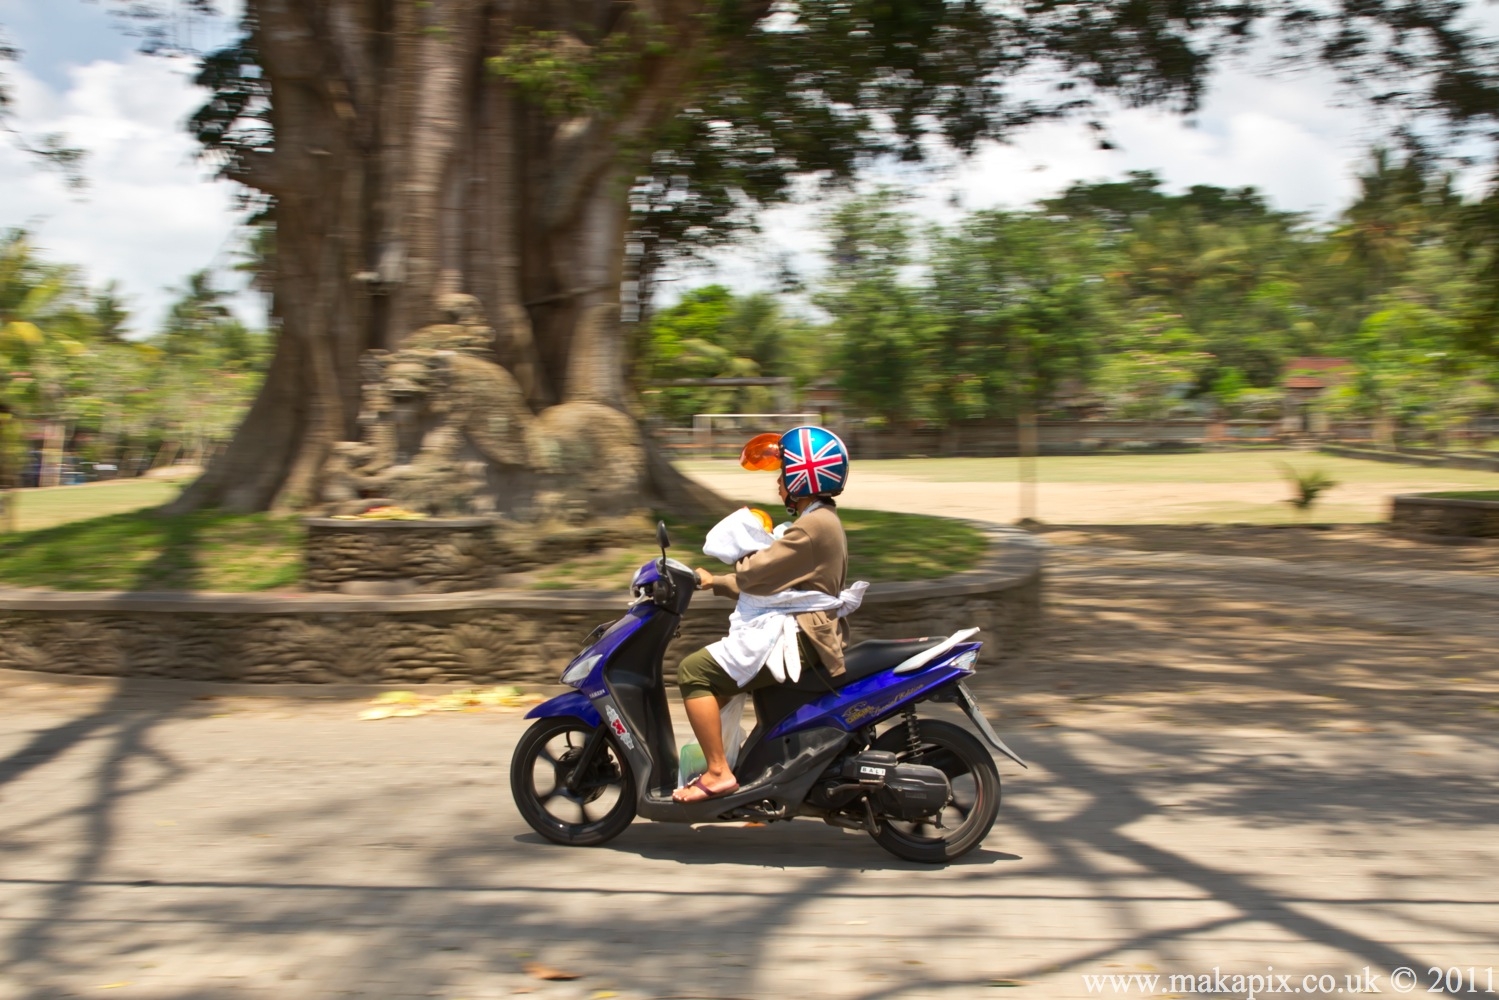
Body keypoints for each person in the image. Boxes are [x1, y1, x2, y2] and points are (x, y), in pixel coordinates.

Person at [672, 425, 854, 804]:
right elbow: (779, 586)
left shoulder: (810, 527)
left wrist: (742, 541)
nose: (779, 484)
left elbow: (756, 574)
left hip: (800, 635)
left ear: (804, 477)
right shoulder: (820, 521)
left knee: (693, 671)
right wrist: (715, 583)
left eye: (784, 475)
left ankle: (719, 773)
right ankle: (755, 787)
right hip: (806, 628)